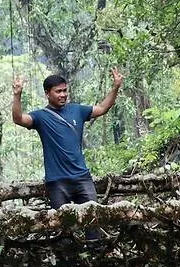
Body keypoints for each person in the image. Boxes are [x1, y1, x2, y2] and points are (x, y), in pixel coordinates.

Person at [12, 69, 123, 209]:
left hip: (82, 177)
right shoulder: (40, 117)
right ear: (47, 93)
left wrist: (116, 86)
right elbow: (18, 119)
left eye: (65, 90)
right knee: (62, 221)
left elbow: (102, 108)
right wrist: (17, 95)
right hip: (57, 181)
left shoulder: (77, 110)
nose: (63, 95)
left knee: (93, 217)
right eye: (58, 91)